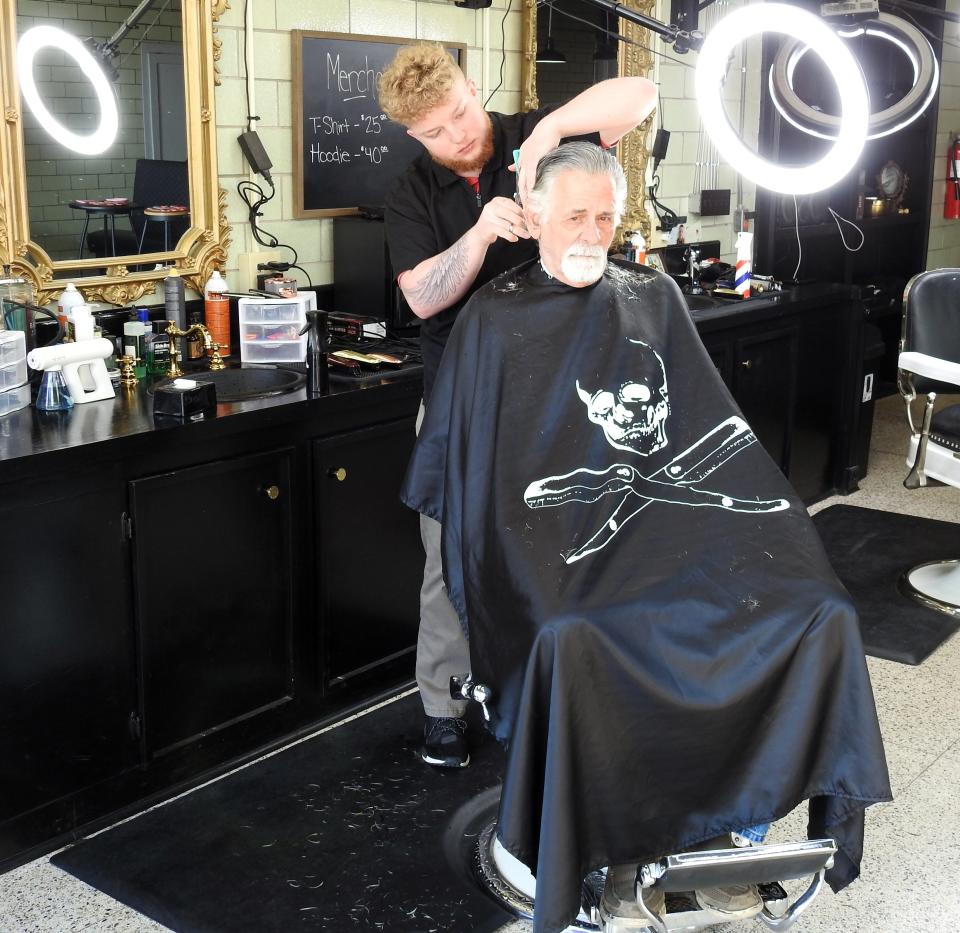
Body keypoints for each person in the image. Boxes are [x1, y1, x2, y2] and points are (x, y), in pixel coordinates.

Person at [401, 141, 890, 933]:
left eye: (604, 214)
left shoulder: (652, 296)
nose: (591, 230)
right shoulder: (493, 319)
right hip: (552, 535)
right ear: (537, 219)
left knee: (814, 604)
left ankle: (736, 815)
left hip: (678, 527)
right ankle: (572, 837)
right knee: (574, 630)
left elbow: (711, 425)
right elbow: (479, 477)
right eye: (573, 215)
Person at [378, 43, 657, 769]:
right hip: (461, 403)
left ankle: (559, 690)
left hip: (562, 391)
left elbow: (641, 95)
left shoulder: (542, 136)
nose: (459, 135)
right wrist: (480, 233)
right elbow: (421, 296)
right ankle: (443, 707)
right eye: (436, 131)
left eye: (462, 114)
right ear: (415, 135)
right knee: (449, 558)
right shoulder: (412, 193)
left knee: (569, 541)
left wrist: (550, 128)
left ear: (474, 90)